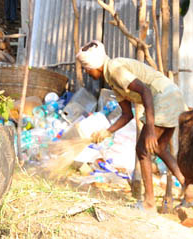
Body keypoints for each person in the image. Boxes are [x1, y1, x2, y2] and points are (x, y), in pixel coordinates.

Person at [76, 41, 186, 212]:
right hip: (172, 96)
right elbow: (127, 114)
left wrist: (149, 128)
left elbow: (146, 91)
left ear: (95, 66)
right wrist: (107, 132)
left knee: (142, 150)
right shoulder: (111, 79)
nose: (86, 71)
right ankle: (189, 189)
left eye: (86, 68)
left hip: (165, 98)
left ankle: (149, 203)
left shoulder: (114, 69)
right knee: (160, 149)